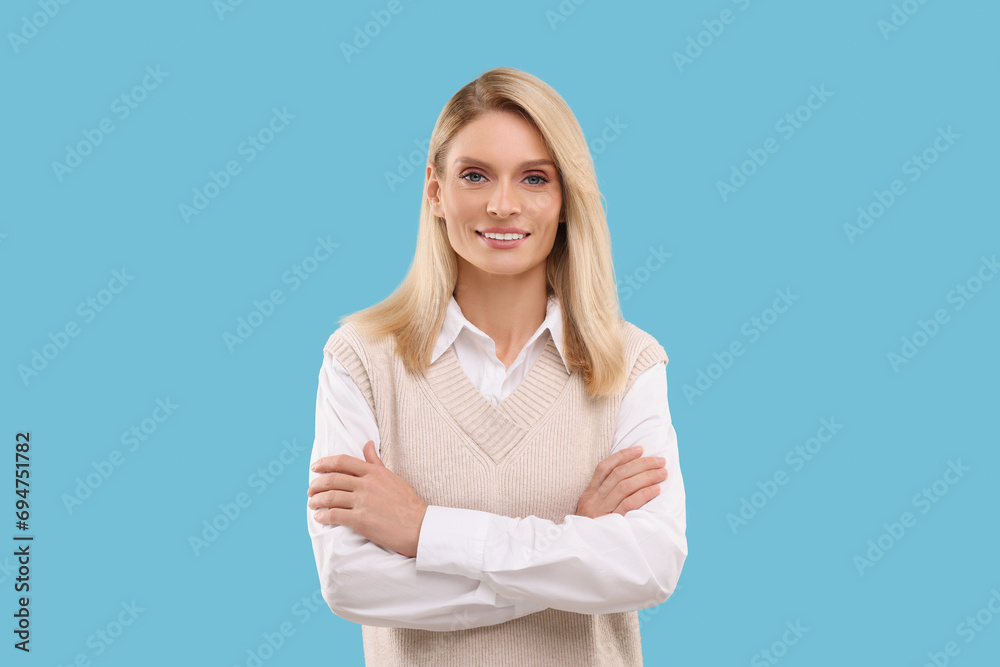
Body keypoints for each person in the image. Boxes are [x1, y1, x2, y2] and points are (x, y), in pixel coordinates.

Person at [306, 66, 687, 666]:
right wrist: (573, 547)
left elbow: (649, 566)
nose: (503, 205)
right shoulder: (360, 360)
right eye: (475, 175)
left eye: (534, 178)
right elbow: (350, 580)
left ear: (565, 199)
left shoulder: (629, 362)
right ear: (434, 191)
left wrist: (425, 530)